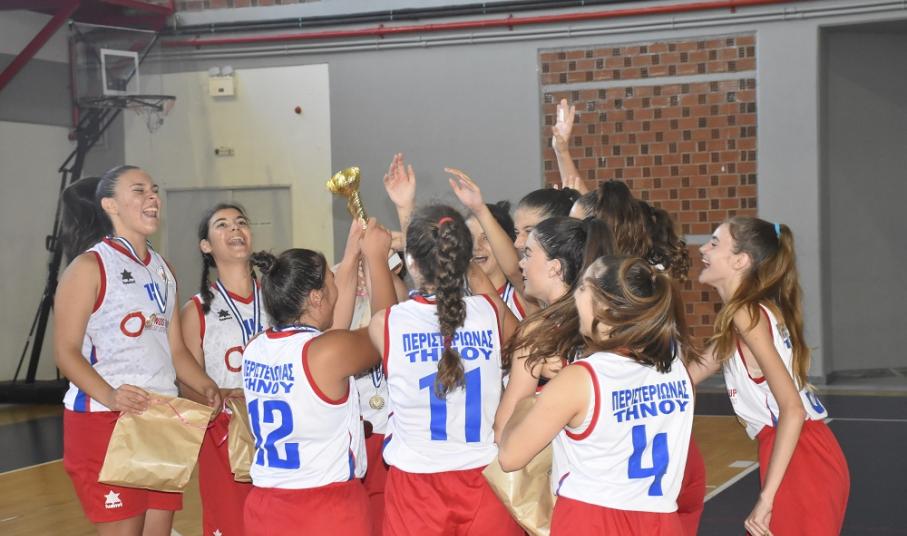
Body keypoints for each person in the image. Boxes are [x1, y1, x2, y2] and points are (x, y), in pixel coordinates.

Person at [54, 166, 221, 536]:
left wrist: (205, 385)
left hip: (160, 415)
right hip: (105, 418)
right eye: (139, 190)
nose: (152, 197)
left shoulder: (164, 269)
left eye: (154, 189)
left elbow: (175, 350)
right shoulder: (89, 266)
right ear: (110, 204)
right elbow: (65, 352)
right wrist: (111, 395)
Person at [499, 256, 695, 535]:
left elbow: (510, 456)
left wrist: (526, 396)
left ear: (604, 307)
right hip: (661, 521)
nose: (574, 296)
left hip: (592, 519)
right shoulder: (678, 367)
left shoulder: (581, 379)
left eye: (582, 288)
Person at [689, 217, 850, 536]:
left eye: (715, 242)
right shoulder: (746, 315)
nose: (703, 249)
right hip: (800, 453)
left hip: (802, 458)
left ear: (740, 261)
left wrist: (767, 498)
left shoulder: (746, 315)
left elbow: (792, 409)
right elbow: (687, 375)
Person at [369, 205, 522, 536]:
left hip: (417, 486)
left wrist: (374, 258)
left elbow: (384, 313)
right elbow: (522, 343)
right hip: (485, 479)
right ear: (463, 255)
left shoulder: (388, 323)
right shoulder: (490, 311)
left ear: (411, 261)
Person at [242, 218, 396, 536]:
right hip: (324, 507)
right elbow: (387, 331)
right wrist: (377, 259)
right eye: (331, 281)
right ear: (315, 297)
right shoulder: (327, 353)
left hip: (266, 507)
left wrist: (351, 254)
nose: (336, 290)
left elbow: (329, 335)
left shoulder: (255, 348)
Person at [180, 202, 269, 536]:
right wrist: (215, 395)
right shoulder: (196, 310)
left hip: (278, 428)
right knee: (232, 525)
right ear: (206, 246)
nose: (235, 228)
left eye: (241, 222)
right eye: (222, 224)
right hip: (224, 433)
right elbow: (187, 384)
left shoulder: (278, 298)